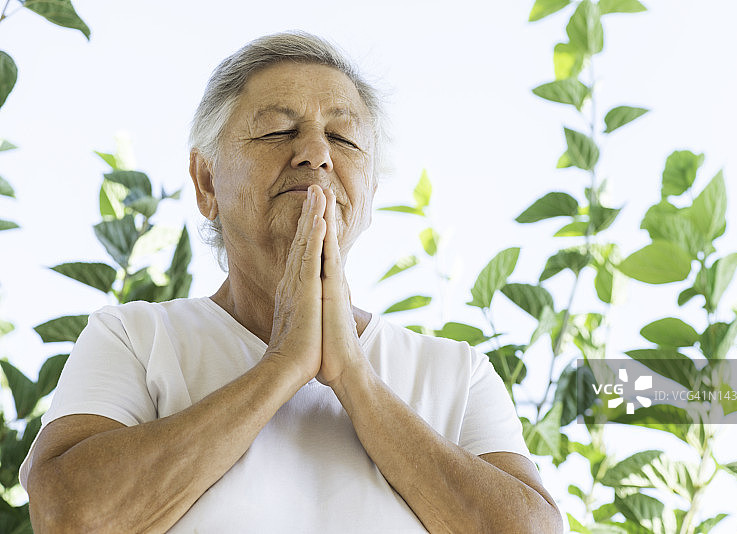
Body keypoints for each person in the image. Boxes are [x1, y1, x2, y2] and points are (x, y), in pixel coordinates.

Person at [20, 32, 562, 533]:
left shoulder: (457, 373)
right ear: (206, 182)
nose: (316, 154)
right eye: (278, 131)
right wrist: (281, 367)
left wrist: (354, 377)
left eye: (343, 139)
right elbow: (69, 515)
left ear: (369, 192)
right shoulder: (134, 337)